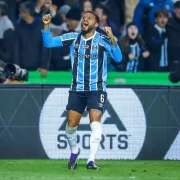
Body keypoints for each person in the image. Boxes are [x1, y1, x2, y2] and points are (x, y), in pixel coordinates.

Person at [41, 11, 122, 169]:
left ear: (96, 24)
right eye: (84, 17)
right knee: (70, 126)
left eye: (89, 18)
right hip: (76, 89)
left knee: (95, 123)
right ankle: (75, 150)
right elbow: (49, 43)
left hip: (96, 88)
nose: (85, 19)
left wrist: (112, 38)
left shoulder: (102, 40)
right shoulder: (72, 37)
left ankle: (91, 160)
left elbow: (118, 58)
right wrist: (46, 25)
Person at [14, 1, 50, 77]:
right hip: (22, 67)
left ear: (27, 12)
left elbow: (45, 48)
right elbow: (16, 49)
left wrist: (44, 66)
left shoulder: (42, 26)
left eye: (21, 11)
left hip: (38, 68)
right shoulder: (19, 26)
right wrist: (17, 68)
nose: (19, 13)